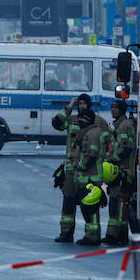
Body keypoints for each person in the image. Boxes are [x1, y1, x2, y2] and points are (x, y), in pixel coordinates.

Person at [51, 93, 110, 243]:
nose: (82, 106)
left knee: (89, 203)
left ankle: (92, 235)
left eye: (84, 103)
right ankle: (66, 232)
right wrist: (69, 107)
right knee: (68, 201)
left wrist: (103, 159)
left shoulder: (99, 122)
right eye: (80, 103)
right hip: (71, 171)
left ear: (89, 105)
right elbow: (56, 123)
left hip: (88, 171)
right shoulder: (71, 120)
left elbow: (109, 141)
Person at [104, 98, 137, 246]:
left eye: (115, 107)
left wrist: (112, 160)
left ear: (122, 110)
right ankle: (121, 235)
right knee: (120, 205)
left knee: (117, 205)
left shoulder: (125, 126)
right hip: (118, 170)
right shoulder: (118, 125)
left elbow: (126, 147)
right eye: (111, 107)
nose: (112, 110)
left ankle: (112, 236)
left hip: (123, 171)